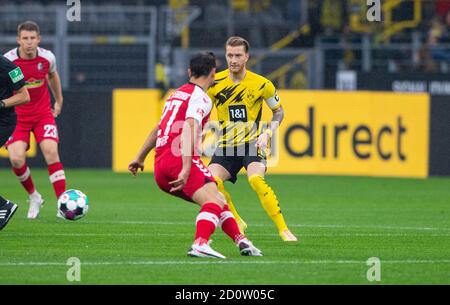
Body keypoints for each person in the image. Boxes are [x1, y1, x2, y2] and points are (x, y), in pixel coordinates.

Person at [128, 52, 262, 258]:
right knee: (214, 202)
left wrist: (139, 157)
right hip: (178, 160)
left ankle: (242, 241)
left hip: (160, 164)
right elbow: (190, 126)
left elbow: (158, 128)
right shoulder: (201, 97)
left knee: (217, 197)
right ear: (213, 73)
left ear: (189, 72)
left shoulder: (176, 94)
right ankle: (200, 243)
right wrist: (186, 167)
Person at [207, 36, 297, 242]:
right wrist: (201, 127)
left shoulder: (262, 84)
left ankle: (284, 230)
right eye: (229, 55)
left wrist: (268, 133)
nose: (233, 60)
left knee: (256, 179)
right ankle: (237, 220)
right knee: (212, 182)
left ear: (247, 57)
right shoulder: (215, 83)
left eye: (238, 55)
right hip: (227, 146)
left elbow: (279, 112)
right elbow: (204, 108)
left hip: (251, 143)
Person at [4, 21, 66, 219]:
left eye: (32, 38)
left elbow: (53, 76)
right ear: (18, 40)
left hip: (42, 115)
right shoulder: (9, 61)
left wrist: (59, 100)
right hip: (18, 118)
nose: (29, 43)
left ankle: (62, 203)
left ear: (38, 39)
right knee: (16, 158)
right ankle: (34, 196)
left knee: (51, 152)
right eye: (25, 39)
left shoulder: (47, 58)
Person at [0, 54, 30, 230]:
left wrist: (2, 104)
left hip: (3, 122)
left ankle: (4, 206)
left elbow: (24, 96)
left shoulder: (8, 67)